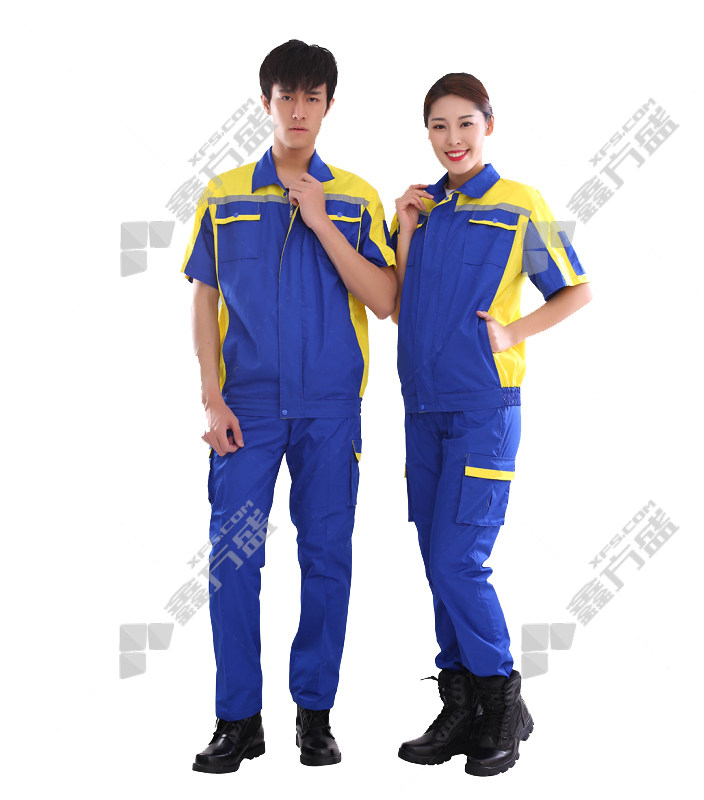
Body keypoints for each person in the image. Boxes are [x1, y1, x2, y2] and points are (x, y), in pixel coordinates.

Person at [180, 39, 397, 773]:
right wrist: (212, 398)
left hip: (330, 407)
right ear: (265, 103)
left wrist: (322, 219)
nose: (299, 110)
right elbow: (204, 296)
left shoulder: (357, 197)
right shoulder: (224, 195)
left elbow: (386, 299)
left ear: (329, 105)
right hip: (247, 407)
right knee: (233, 558)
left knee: (326, 556)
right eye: (286, 97)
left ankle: (315, 714)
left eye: (312, 97)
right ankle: (237, 720)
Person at [391, 73, 592, 777]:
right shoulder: (424, 209)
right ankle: (461, 705)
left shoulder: (518, 204)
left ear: (489, 125)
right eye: (439, 126)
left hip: (483, 407)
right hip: (422, 408)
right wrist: (404, 228)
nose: (453, 139)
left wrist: (512, 332)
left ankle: (502, 701)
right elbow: (400, 302)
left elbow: (575, 289)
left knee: (459, 561)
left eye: (465, 124)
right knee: (436, 560)